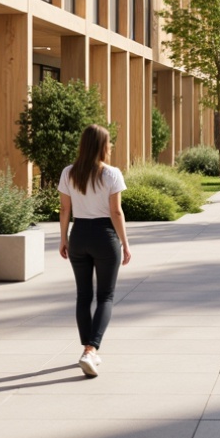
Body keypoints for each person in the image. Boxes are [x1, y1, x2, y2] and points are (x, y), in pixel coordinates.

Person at [59, 124, 131, 378]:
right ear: (103, 146)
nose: (110, 146)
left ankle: (87, 349)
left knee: (83, 295)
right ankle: (91, 350)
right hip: (104, 236)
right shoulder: (111, 174)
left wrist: (63, 239)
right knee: (106, 297)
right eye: (109, 142)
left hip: (79, 235)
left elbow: (65, 210)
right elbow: (116, 212)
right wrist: (125, 242)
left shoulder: (69, 173)